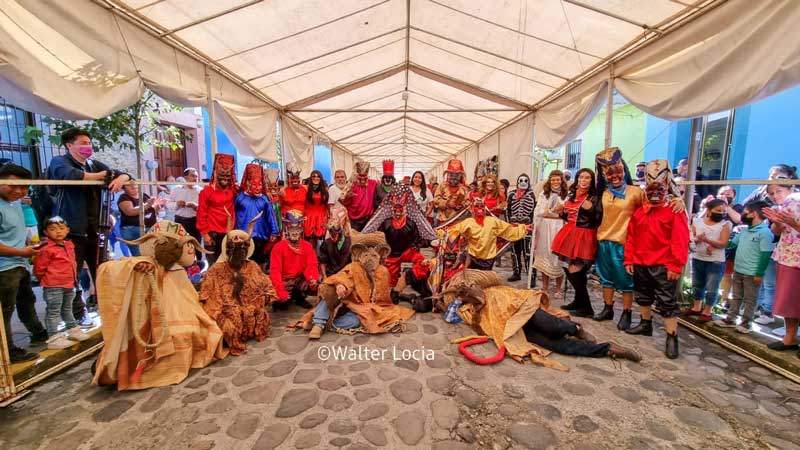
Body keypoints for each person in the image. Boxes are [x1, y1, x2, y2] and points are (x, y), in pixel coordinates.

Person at [95, 220, 225, 390]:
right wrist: (134, 265)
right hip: (160, 323)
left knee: (207, 331)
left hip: (189, 316)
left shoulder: (179, 270)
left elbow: (190, 296)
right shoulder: (149, 265)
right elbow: (108, 268)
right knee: (180, 334)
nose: (191, 250)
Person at [592, 148, 684, 328]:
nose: (614, 177)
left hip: (624, 243)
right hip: (604, 241)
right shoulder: (602, 192)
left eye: (618, 172)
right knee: (606, 278)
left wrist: (677, 199)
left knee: (626, 281)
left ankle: (626, 312)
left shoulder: (636, 192)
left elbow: (654, 205)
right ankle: (607, 308)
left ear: (624, 170)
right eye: (609, 174)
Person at [48, 128, 131, 318]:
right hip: (71, 231)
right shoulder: (59, 162)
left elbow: (123, 174)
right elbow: (69, 175)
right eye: (83, 143)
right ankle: (75, 317)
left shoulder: (93, 164)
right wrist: (100, 177)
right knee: (71, 277)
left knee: (102, 272)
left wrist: (121, 178)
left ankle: (107, 312)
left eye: (89, 143)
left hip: (96, 229)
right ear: (69, 145)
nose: (88, 147)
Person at [624, 160, 690, 359]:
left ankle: (672, 336)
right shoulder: (639, 212)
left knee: (667, 303)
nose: (654, 192)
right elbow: (631, 237)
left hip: (663, 265)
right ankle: (645, 324)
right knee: (642, 295)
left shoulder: (675, 211)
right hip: (641, 262)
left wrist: (675, 264)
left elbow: (680, 240)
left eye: (658, 188)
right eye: (650, 187)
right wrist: (629, 260)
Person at [297, 231, 415, 339]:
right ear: (359, 254)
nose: (370, 259)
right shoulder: (354, 266)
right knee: (329, 292)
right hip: (346, 300)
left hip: (362, 308)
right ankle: (318, 323)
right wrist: (340, 284)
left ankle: (327, 325)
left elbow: (382, 300)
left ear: (380, 255)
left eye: (374, 255)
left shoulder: (383, 271)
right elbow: (342, 275)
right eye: (366, 255)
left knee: (356, 321)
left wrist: (371, 308)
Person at [200, 221, 276, 355]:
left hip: (251, 310)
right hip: (229, 312)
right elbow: (207, 294)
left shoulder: (252, 266)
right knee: (228, 324)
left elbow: (267, 285)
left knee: (260, 313)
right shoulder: (216, 270)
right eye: (234, 248)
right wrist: (220, 312)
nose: (238, 252)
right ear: (228, 250)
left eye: (242, 248)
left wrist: (266, 297)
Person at [0, 164, 48, 362]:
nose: (19, 191)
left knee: (27, 300)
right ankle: (7, 351)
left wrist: (28, 246)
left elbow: (17, 231)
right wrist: (21, 251)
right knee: (5, 310)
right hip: (4, 268)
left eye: (24, 187)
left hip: (20, 263)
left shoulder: (17, 203)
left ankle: (38, 333)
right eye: (13, 185)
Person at [713, 201, 773, 334]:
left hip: (752, 273)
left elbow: (765, 254)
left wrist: (759, 273)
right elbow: (731, 245)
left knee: (750, 299)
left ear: (754, 214)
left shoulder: (765, 233)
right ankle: (731, 318)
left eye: (745, 213)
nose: (743, 215)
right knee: (736, 295)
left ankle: (746, 323)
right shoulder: (744, 230)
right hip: (739, 270)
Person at [551, 168, 602, 317]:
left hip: (584, 235)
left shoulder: (594, 197)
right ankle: (578, 302)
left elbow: (598, 218)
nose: (584, 181)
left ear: (591, 181)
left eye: (587, 178)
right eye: (581, 177)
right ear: (577, 179)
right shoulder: (572, 195)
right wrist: (562, 212)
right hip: (570, 232)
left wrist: (591, 209)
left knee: (575, 269)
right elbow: (569, 217)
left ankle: (586, 307)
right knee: (571, 268)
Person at [33, 216, 91, 349]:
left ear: (67, 230)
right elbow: (39, 268)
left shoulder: (69, 245)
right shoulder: (46, 249)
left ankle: (72, 330)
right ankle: (54, 337)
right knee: (54, 310)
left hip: (69, 283)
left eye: (61, 228)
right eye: (53, 229)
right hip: (53, 285)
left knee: (67, 308)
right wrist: (45, 279)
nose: (58, 232)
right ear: (46, 232)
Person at [363, 184, 437, 287]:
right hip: (392, 255)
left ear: (405, 208)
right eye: (395, 209)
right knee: (390, 282)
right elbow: (379, 238)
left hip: (408, 252)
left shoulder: (411, 223)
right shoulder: (386, 223)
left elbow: (419, 239)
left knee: (423, 262)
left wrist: (417, 246)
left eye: (400, 209)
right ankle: (395, 290)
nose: (398, 212)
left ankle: (410, 278)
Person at [762, 183, 800, 353]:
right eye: (772, 193)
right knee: (788, 301)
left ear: (791, 188)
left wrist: (793, 222)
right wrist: (777, 222)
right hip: (787, 256)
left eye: (779, 191)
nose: (775, 195)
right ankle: (789, 338)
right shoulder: (784, 206)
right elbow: (776, 232)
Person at [450, 197, 530, 270]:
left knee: (485, 281)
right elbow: (453, 231)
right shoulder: (468, 222)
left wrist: (524, 228)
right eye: (477, 206)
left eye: (482, 206)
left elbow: (508, 229)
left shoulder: (492, 221)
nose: (480, 209)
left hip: (488, 258)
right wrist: (442, 233)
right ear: (472, 209)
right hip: (472, 257)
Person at [684, 199, 731, 322]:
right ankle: (696, 307)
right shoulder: (698, 222)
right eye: (718, 210)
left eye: (723, 211)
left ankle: (708, 310)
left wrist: (707, 240)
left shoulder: (725, 225)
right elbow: (690, 237)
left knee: (712, 287)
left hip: (715, 261)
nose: (721, 213)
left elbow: (723, 243)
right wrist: (698, 239)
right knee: (697, 284)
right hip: (698, 257)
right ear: (709, 210)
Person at [269, 210, 319, 310]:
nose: (295, 232)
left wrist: (312, 278)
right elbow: (275, 270)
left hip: (300, 279)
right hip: (284, 280)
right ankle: (285, 298)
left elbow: (312, 265)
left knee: (313, 282)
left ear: (301, 229)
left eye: (297, 228)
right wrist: (279, 290)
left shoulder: (307, 246)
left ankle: (299, 297)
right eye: (292, 228)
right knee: (280, 305)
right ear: (287, 228)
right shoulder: (278, 247)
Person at [235, 164, 279, 266]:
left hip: (260, 235)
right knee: (245, 261)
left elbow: (270, 216)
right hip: (243, 236)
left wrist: (274, 232)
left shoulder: (264, 199)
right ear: (248, 183)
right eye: (254, 185)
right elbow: (233, 215)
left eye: (259, 185)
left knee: (260, 261)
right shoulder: (240, 197)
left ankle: (260, 280)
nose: (257, 188)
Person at [198, 154, 237, 266]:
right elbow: (201, 213)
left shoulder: (232, 191)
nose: (225, 179)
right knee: (213, 266)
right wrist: (205, 234)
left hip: (228, 233)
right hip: (212, 233)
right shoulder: (206, 192)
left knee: (227, 264)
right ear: (215, 173)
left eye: (227, 176)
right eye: (222, 175)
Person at [533, 170, 567, 296]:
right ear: (549, 181)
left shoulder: (566, 195)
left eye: (558, 180)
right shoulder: (544, 194)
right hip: (545, 227)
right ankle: (545, 287)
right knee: (545, 256)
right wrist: (544, 211)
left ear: (562, 180)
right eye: (553, 180)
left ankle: (558, 289)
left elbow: (567, 213)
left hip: (559, 227)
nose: (555, 182)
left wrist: (560, 211)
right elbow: (538, 210)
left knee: (558, 258)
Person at [117, 183, 161, 256]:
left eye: (135, 184)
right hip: (133, 229)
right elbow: (130, 211)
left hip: (148, 227)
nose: (133, 186)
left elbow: (150, 210)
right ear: (124, 188)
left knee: (152, 253)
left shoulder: (144, 195)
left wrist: (156, 208)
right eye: (129, 185)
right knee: (140, 255)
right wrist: (147, 205)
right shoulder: (124, 198)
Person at [168, 168, 202, 261]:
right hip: (180, 221)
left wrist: (196, 206)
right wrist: (177, 204)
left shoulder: (200, 191)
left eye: (196, 176)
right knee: (181, 245)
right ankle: (183, 265)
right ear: (186, 177)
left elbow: (204, 208)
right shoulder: (176, 189)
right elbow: (168, 205)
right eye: (193, 176)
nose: (195, 178)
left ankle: (198, 266)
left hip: (195, 220)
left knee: (197, 244)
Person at [507, 173, 536, 282]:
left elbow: (534, 211)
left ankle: (531, 276)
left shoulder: (532, 195)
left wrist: (533, 225)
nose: (523, 183)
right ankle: (516, 272)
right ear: (518, 182)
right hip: (514, 226)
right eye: (521, 181)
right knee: (515, 251)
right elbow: (508, 210)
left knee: (528, 251)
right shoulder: (511, 195)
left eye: (525, 181)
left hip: (527, 227)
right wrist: (509, 224)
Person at [340, 162, 378, 231]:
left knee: (368, 240)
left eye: (364, 176)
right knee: (356, 240)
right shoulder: (351, 184)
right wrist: (347, 196)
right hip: (355, 220)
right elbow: (343, 200)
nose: (363, 178)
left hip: (369, 219)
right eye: (361, 175)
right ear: (357, 174)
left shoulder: (373, 183)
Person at [433, 159, 470, 224]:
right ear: (448, 175)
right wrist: (447, 203)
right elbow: (436, 200)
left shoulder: (464, 188)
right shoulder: (442, 186)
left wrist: (461, 205)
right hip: (443, 219)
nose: (454, 179)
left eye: (456, 176)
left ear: (460, 177)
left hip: (458, 219)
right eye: (451, 175)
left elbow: (468, 201)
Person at [318, 214, 351, 279]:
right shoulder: (326, 243)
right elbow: (322, 261)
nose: (334, 237)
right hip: (331, 274)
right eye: (331, 233)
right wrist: (324, 276)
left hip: (346, 275)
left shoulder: (349, 242)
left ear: (340, 232)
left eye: (336, 234)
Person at [304, 170, 329, 249]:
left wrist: (328, 216)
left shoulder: (325, 189)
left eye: (318, 176)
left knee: (321, 241)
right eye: (313, 176)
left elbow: (327, 204)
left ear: (321, 178)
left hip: (321, 216)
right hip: (309, 217)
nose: (316, 178)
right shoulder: (306, 188)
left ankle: (319, 258)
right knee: (311, 241)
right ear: (310, 178)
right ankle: (312, 258)